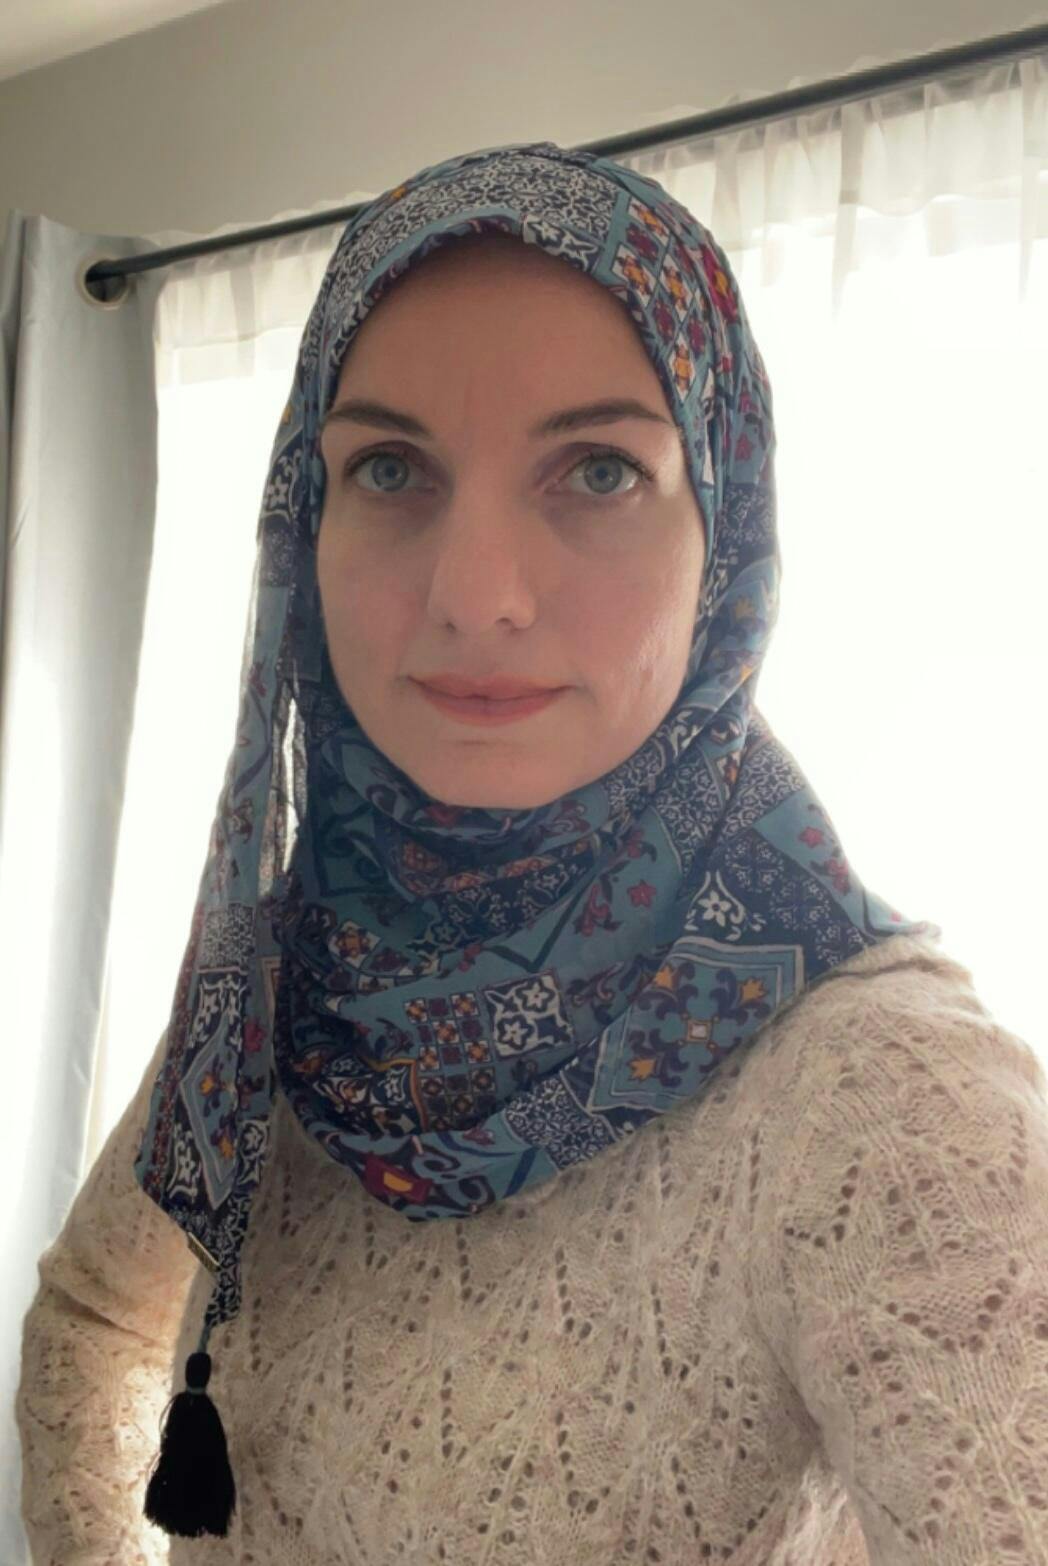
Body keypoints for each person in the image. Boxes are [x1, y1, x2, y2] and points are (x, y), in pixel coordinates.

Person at [17, 139, 1048, 1565]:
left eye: (600, 471)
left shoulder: (886, 1102)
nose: (475, 594)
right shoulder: (300, 975)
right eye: (389, 468)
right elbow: (93, 1317)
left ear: (726, 529)